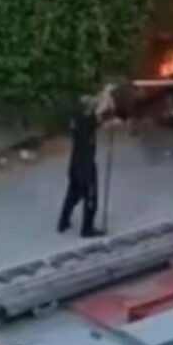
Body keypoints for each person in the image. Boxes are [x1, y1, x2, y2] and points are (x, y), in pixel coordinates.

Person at [58, 90, 114, 237]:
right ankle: (87, 229)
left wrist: (104, 93)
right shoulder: (87, 120)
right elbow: (101, 109)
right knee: (91, 197)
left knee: (74, 194)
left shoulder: (76, 117)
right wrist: (107, 93)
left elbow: (97, 107)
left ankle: (63, 222)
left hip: (75, 164)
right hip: (86, 166)